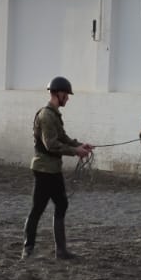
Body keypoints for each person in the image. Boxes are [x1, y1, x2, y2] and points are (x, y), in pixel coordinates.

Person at [22, 76, 94, 260]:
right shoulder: (46, 116)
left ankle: (60, 251)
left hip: (53, 169)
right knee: (37, 209)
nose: (68, 98)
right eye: (66, 95)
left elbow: (63, 137)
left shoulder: (54, 114)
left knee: (61, 204)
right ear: (58, 94)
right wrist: (75, 151)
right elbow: (51, 145)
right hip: (44, 169)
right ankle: (28, 249)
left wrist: (80, 145)